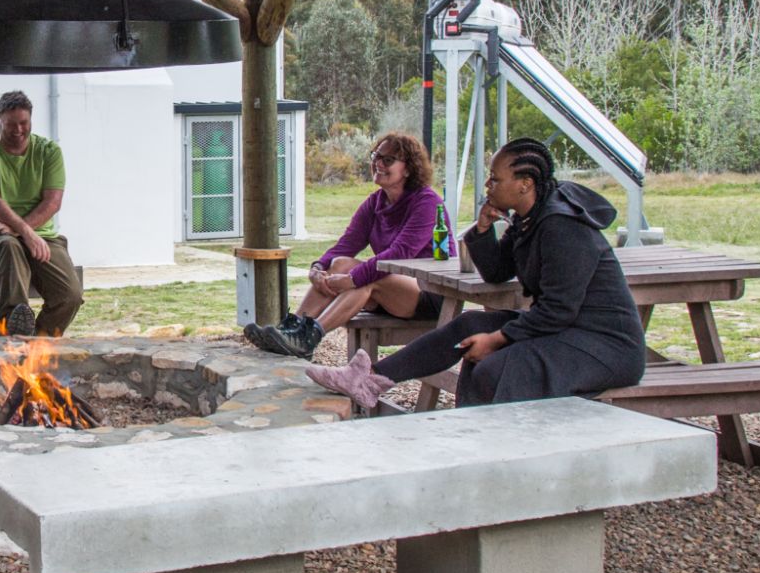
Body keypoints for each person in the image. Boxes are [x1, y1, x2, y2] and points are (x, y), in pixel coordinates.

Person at [308, 137, 645, 411]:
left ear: (525, 184)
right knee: (469, 325)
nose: (488, 185)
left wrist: (498, 339)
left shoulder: (562, 227)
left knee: (493, 366)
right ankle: (368, 380)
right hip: (565, 330)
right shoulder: (528, 219)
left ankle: (490, 446)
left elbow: (559, 310)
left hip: (603, 346)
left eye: (495, 179)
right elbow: (498, 272)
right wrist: (483, 230)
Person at [248, 132, 443, 360]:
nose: (378, 163)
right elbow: (346, 245)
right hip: (391, 291)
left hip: (430, 293)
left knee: (364, 279)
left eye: (388, 160)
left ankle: (309, 338)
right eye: (376, 156)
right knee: (341, 263)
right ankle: (293, 327)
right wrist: (318, 268)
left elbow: (400, 253)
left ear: (408, 169)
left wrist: (352, 278)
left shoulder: (426, 202)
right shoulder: (375, 202)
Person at [0, 90, 82, 337]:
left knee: (70, 295)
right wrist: (24, 233)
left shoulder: (49, 151)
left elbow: (53, 202)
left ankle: (36, 344)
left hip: (42, 236)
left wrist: (22, 230)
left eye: (24, 123)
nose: (18, 130)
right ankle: (12, 330)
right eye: (11, 124)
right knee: (8, 245)